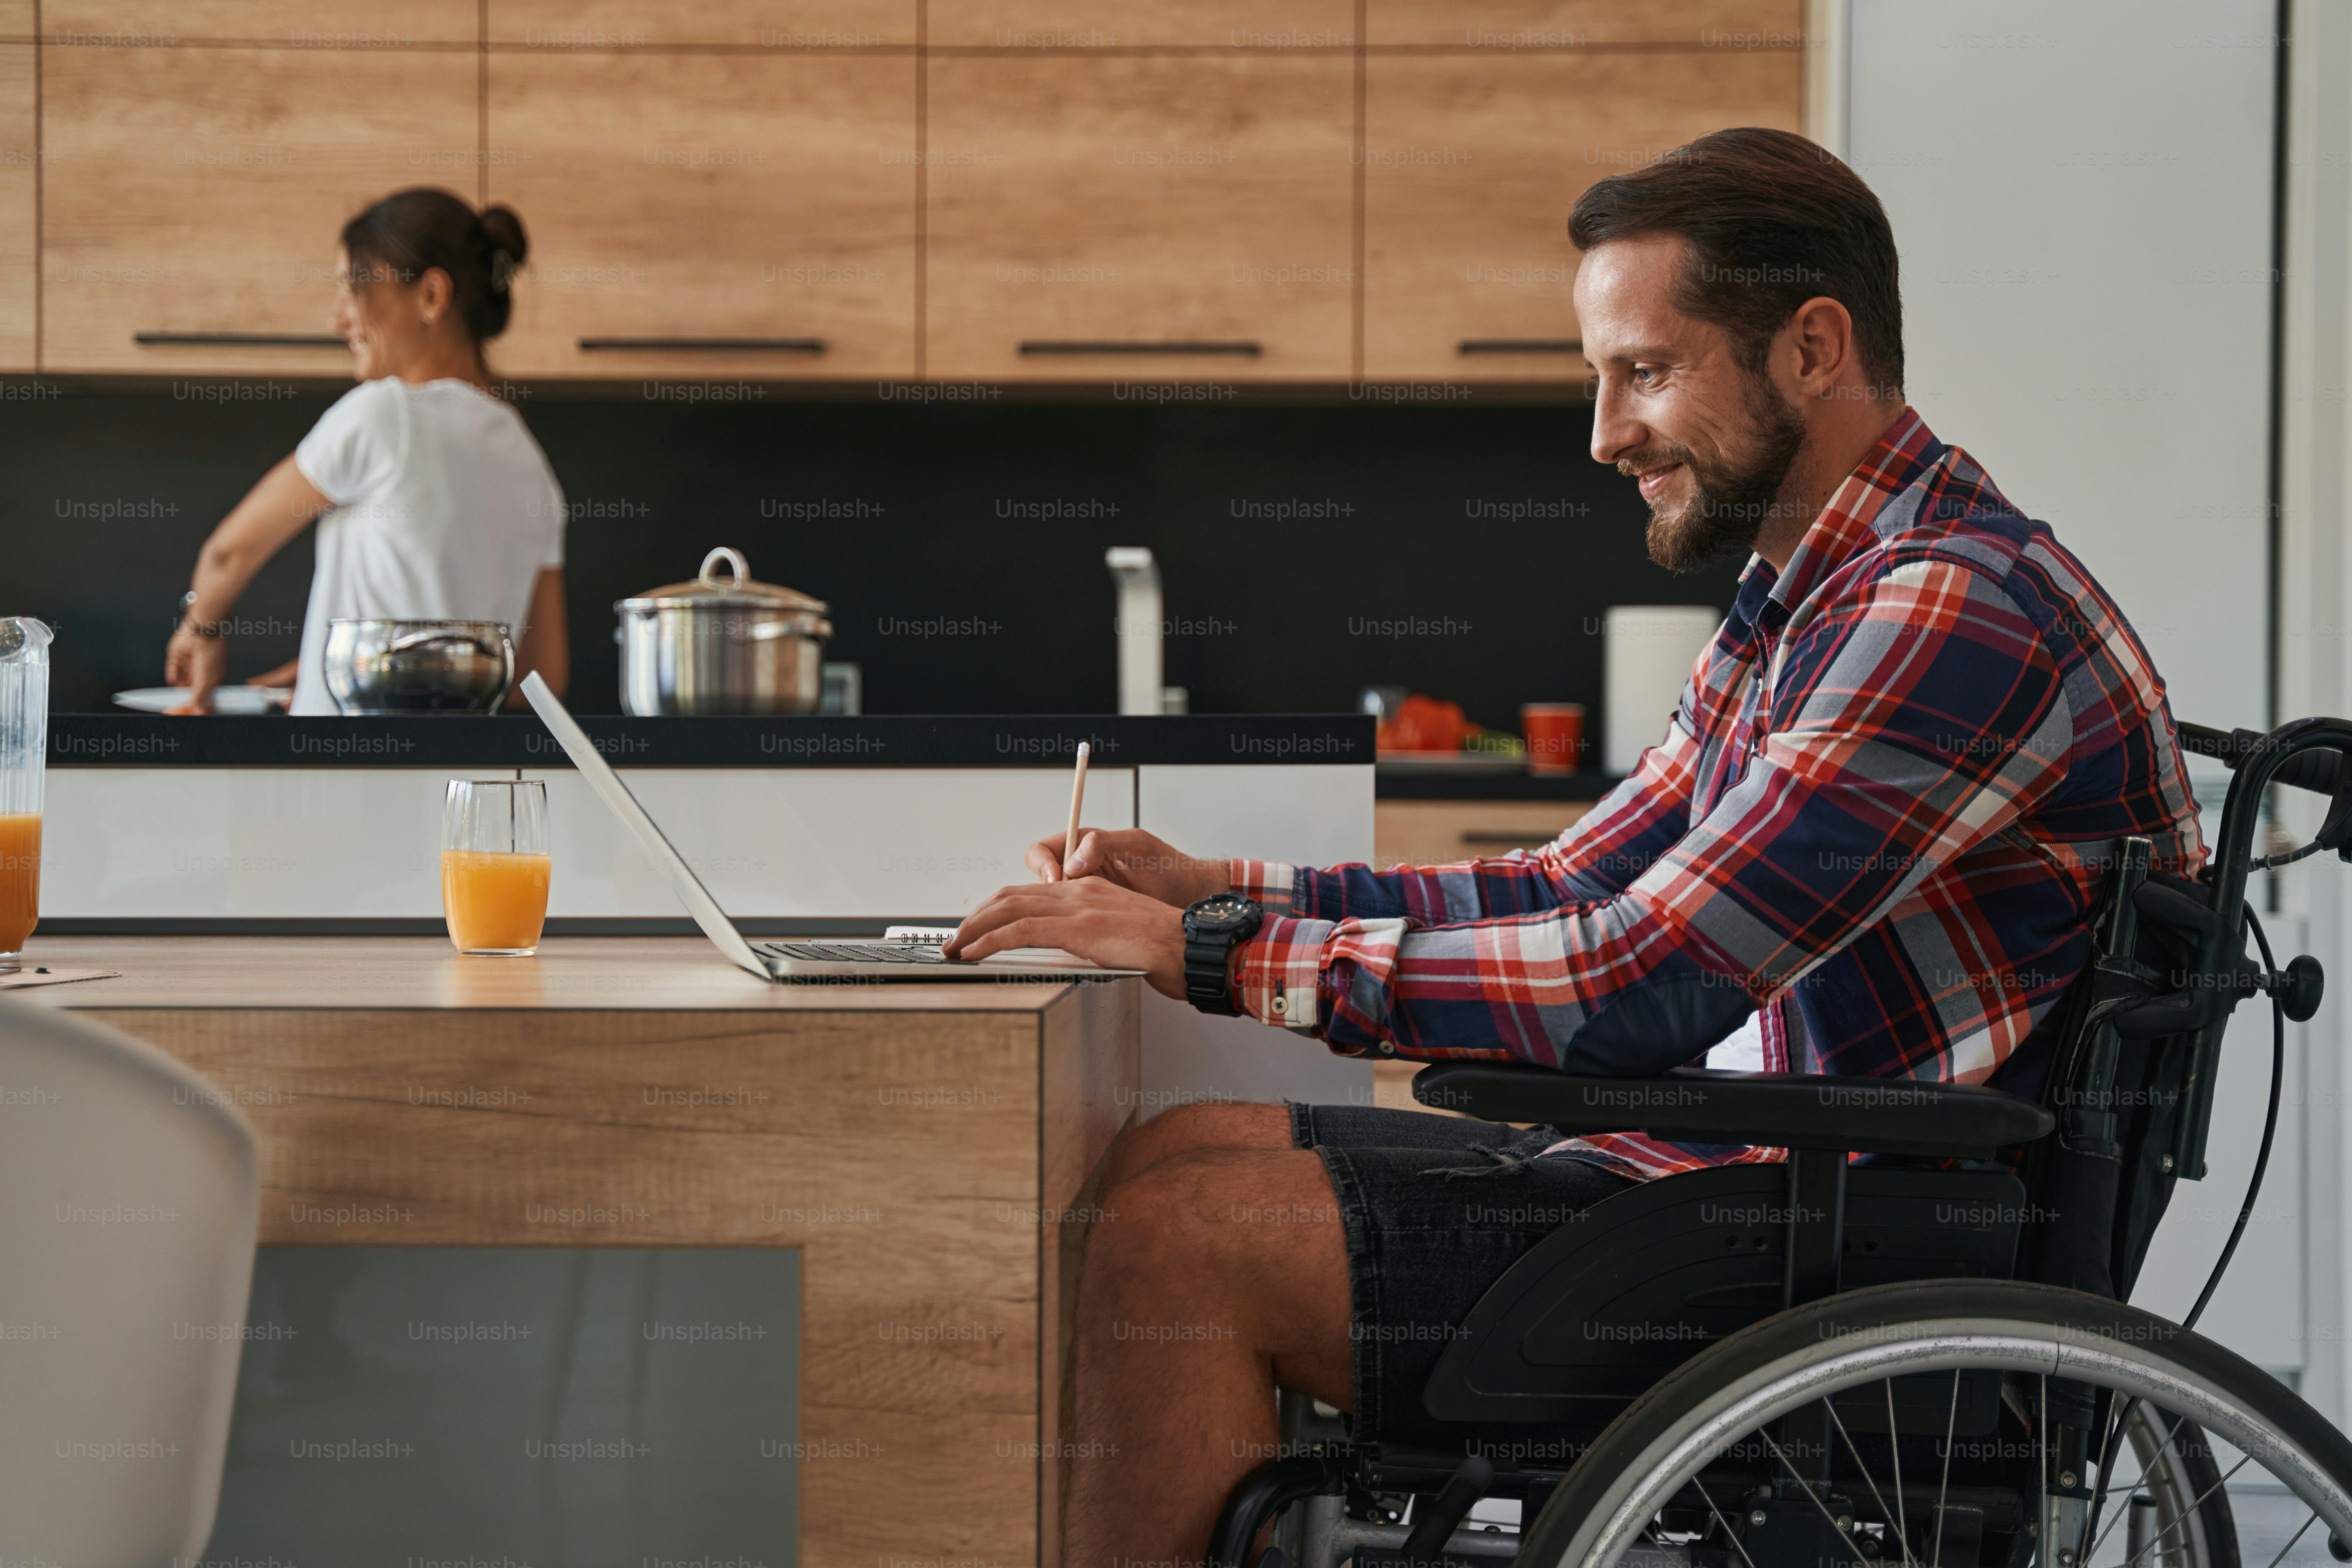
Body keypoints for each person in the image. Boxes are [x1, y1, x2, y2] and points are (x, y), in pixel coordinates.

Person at [943, 126, 2205, 1560]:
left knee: (1181, 1242)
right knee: (1170, 1155)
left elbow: (1636, 987)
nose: (1602, 435)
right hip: (1780, 1183)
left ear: (1811, 348)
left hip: (1848, 1245)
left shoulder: (1937, 610)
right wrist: (1220, 888)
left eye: (1644, 371)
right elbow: (1573, 884)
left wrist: (1216, 957)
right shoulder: (1814, 594)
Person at [164, 188, 568, 714]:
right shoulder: (530, 463)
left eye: (354, 288)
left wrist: (201, 630)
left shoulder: (384, 414)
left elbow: (228, 554)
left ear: (431, 296)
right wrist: (364, 670)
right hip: (461, 780)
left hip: (349, 773)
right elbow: (540, 678)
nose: (338, 317)